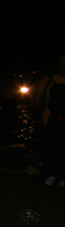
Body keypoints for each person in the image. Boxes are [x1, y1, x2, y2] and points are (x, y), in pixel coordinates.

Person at [39, 55, 65, 187]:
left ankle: (62, 177)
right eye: (60, 64)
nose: (61, 66)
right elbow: (43, 101)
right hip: (53, 119)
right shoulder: (52, 82)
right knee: (51, 147)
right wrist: (42, 119)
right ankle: (50, 174)